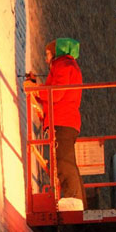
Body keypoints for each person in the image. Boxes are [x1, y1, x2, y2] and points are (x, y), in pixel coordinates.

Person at [25, 38, 85, 211]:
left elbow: (55, 94)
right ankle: (77, 200)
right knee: (67, 161)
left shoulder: (63, 66)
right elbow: (52, 92)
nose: (45, 59)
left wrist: (34, 88)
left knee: (63, 161)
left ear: (56, 53)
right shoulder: (66, 67)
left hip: (62, 120)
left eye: (48, 54)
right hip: (65, 120)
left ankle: (73, 199)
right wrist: (37, 87)